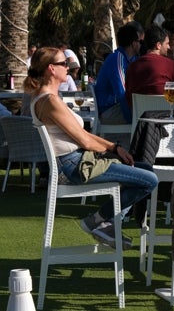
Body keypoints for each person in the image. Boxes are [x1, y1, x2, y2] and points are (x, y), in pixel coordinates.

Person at [24, 46, 158, 249]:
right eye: (64, 63)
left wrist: (115, 148)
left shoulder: (50, 98)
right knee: (149, 180)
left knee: (145, 170)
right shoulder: (49, 101)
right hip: (74, 165)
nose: (68, 67)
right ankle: (99, 221)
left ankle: (106, 223)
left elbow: (84, 136)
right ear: (52, 69)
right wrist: (114, 150)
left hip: (78, 160)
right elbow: (84, 141)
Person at [125, 25, 174, 110]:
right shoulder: (170, 65)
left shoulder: (132, 66)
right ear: (158, 45)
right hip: (167, 119)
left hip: (141, 120)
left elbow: (129, 99)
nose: (169, 47)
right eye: (167, 43)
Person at [93, 24, 141, 124]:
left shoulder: (131, 60)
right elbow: (121, 93)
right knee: (146, 116)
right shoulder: (116, 59)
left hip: (117, 107)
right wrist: (131, 120)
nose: (141, 45)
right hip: (109, 111)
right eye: (139, 41)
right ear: (134, 43)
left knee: (148, 113)